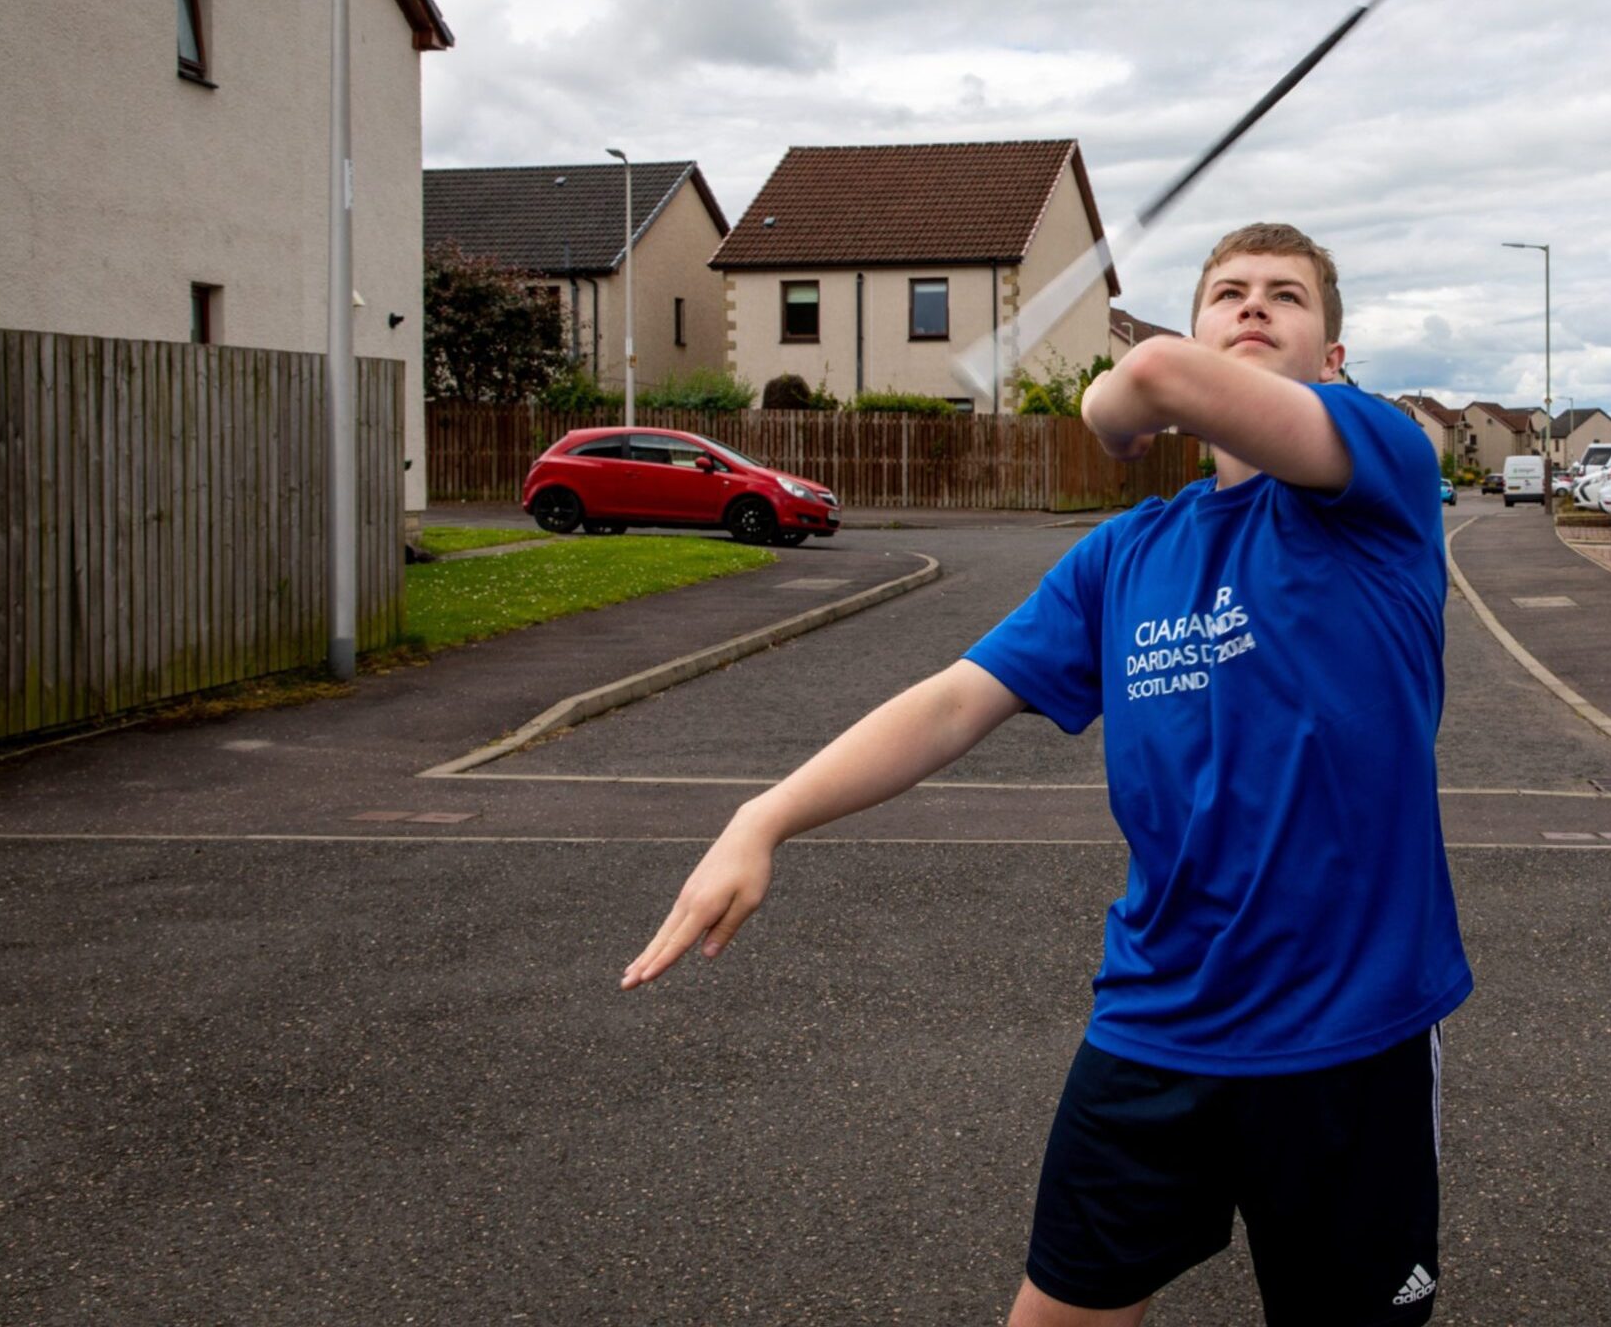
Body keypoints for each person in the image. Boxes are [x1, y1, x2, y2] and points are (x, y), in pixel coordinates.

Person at [620, 222, 1470, 1326]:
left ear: (1335, 359)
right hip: (1158, 1019)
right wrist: (764, 815)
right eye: (1229, 293)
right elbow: (952, 701)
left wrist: (1113, 405)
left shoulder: (1383, 481)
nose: (1254, 308)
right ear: (1202, 317)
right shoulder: (1123, 557)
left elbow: (1154, 376)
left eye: (1287, 297)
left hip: (1349, 1038)